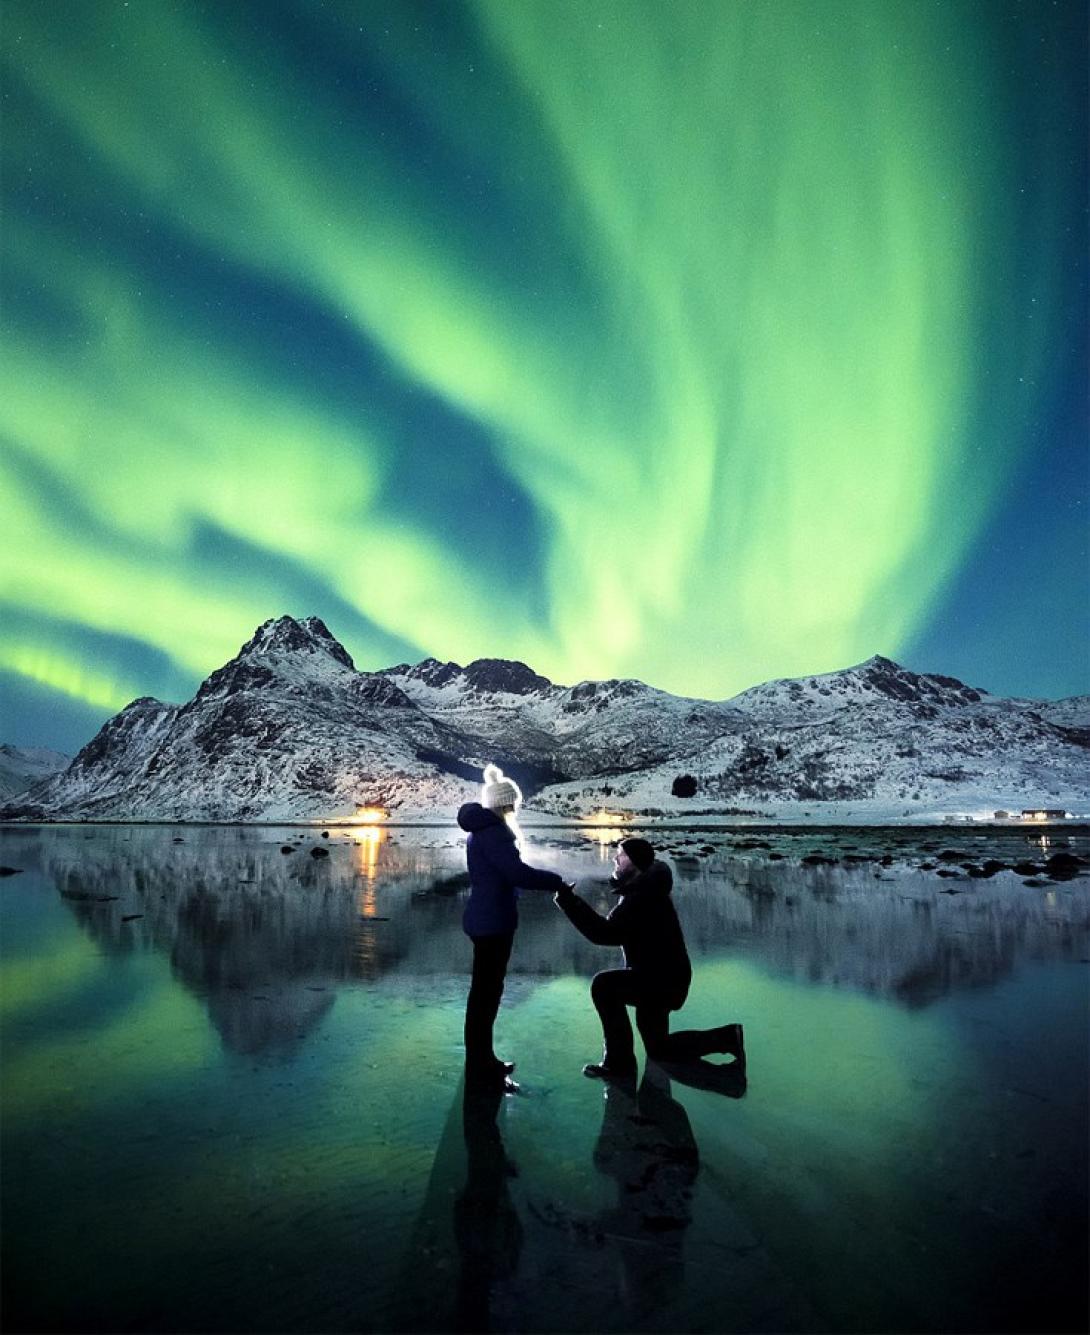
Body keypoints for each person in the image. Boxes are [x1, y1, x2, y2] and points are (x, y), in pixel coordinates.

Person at [554, 837, 745, 1079]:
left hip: (659, 981)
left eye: (621, 855)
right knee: (659, 1049)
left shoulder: (643, 896)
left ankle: (618, 1064)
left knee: (604, 986)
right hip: (663, 978)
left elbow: (604, 933)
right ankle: (728, 1038)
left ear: (634, 862)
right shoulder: (644, 890)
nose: (615, 858)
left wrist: (568, 900)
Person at [457, 763, 568, 1082]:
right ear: (505, 804)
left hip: (484, 916)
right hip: (493, 921)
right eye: (513, 803)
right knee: (486, 994)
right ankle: (481, 1063)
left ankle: (480, 1059)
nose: (515, 808)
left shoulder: (483, 831)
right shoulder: (494, 833)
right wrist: (556, 881)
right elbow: (516, 873)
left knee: (484, 992)